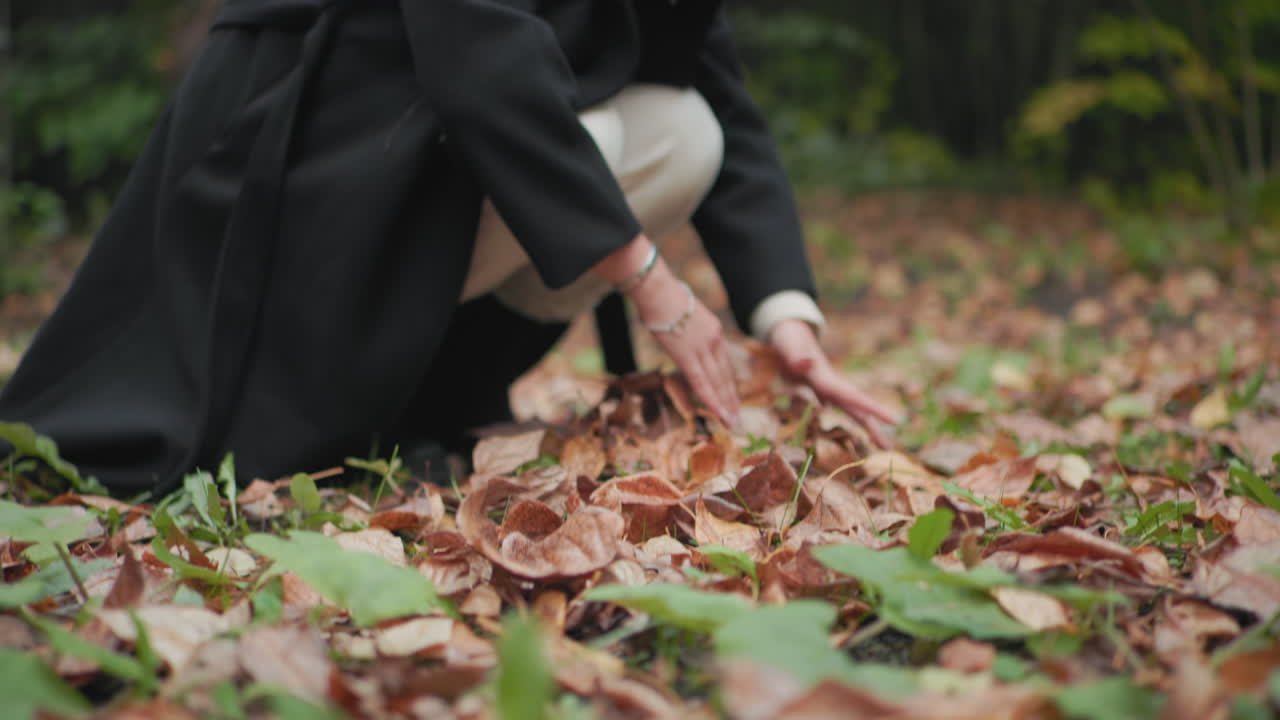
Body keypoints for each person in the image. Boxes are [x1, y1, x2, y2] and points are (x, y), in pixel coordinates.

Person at [0, 0, 896, 495]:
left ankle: (437, 397)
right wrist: (650, 279)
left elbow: (719, 100)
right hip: (319, 125)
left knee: (682, 132)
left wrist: (788, 320)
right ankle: (336, 408)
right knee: (584, 143)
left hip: (438, 136)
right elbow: (481, 57)